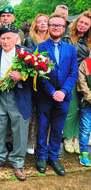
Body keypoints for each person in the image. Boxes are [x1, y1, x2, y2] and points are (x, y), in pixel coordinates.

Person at [0, 24, 32, 181]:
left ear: (16, 39)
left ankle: (18, 163)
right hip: (0, 95)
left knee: (19, 131)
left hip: (19, 96)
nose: (5, 41)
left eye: (9, 38)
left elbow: (36, 76)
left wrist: (23, 77)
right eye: (2, 38)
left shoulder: (26, 54)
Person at [35, 12, 78, 176]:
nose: (55, 27)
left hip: (64, 97)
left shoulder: (70, 49)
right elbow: (38, 73)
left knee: (57, 128)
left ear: (64, 27)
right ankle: (42, 156)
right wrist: (52, 91)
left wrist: (63, 91)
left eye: (59, 25)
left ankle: (54, 157)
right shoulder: (40, 47)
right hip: (45, 96)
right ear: (49, 26)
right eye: (52, 25)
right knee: (43, 127)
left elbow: (74, 73)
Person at [61, 10, 91, 154]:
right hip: (70, 77)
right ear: (76, 22)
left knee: (82, 108)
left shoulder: (89, 41)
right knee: (72, 110)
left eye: (86, 24)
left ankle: (76, 138)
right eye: (81, 22)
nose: (82, 25)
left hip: (84, 78)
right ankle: (67, 137)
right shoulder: (67, 36)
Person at [24, 13, 49, 154]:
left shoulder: (53, 39)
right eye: (40, 22)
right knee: (33, 113)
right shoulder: (30, 40)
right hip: (34, 80)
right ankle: (30, 142)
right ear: (35, 25)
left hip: (49, 80)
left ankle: (43, 142)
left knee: (46, 114)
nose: (43, 24)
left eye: (45, 21)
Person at [77, 55, 91, 166]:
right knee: (85, 129)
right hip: (88, 102)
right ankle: (84, 153)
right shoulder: (86, 63)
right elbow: (82, 83)